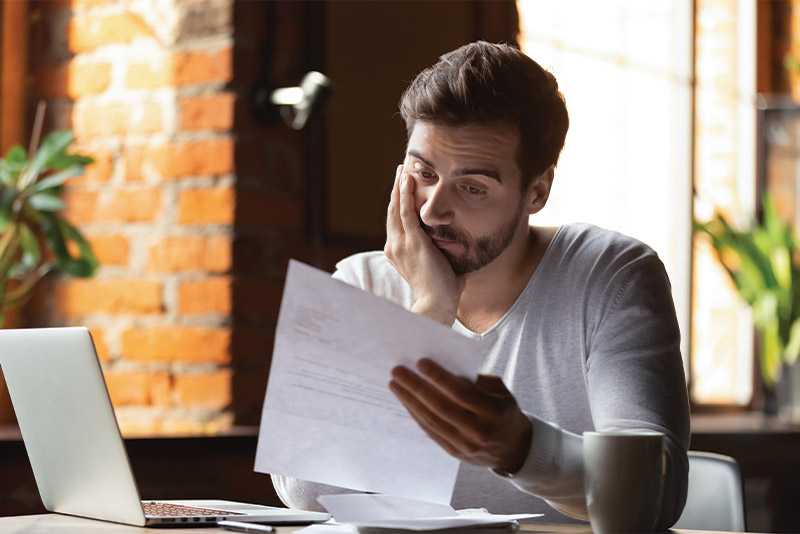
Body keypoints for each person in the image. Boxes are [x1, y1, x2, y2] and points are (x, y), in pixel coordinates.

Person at [272, 41, 690, 528]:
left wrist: (522, 450)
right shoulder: (361, 280)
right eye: (423, 173)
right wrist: (428, 311)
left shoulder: (612, 274)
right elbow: (305, 490)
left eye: (472, 187)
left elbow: (654, 493)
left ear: (537, 191)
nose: (431, 210)